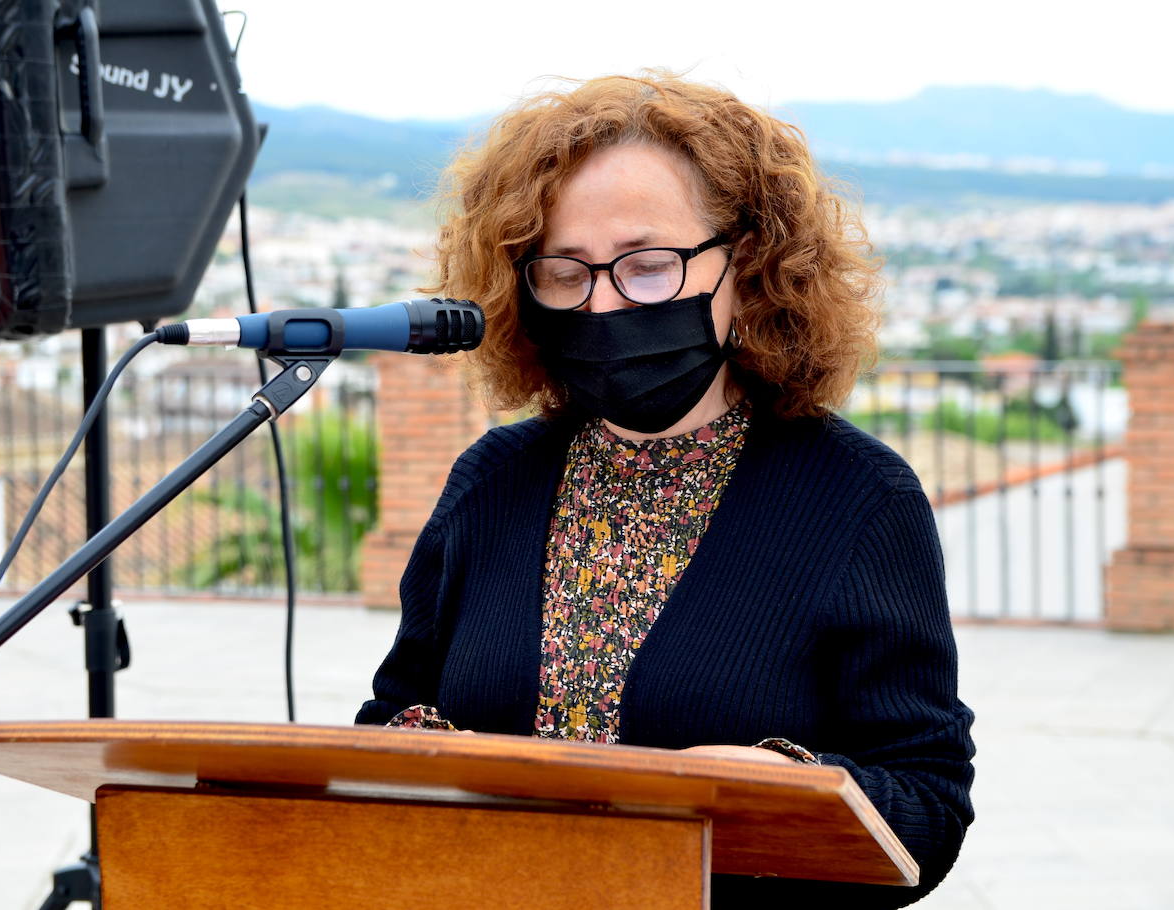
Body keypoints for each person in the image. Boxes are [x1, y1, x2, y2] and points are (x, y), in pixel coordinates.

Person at [356, 72, 974, 907]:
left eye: (648, 267)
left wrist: (792, 785)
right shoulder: (492, 480)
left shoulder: (859, 499)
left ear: (748, 264)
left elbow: (928, 806)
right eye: (566, 273)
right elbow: (392, 715)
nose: (606, 304)